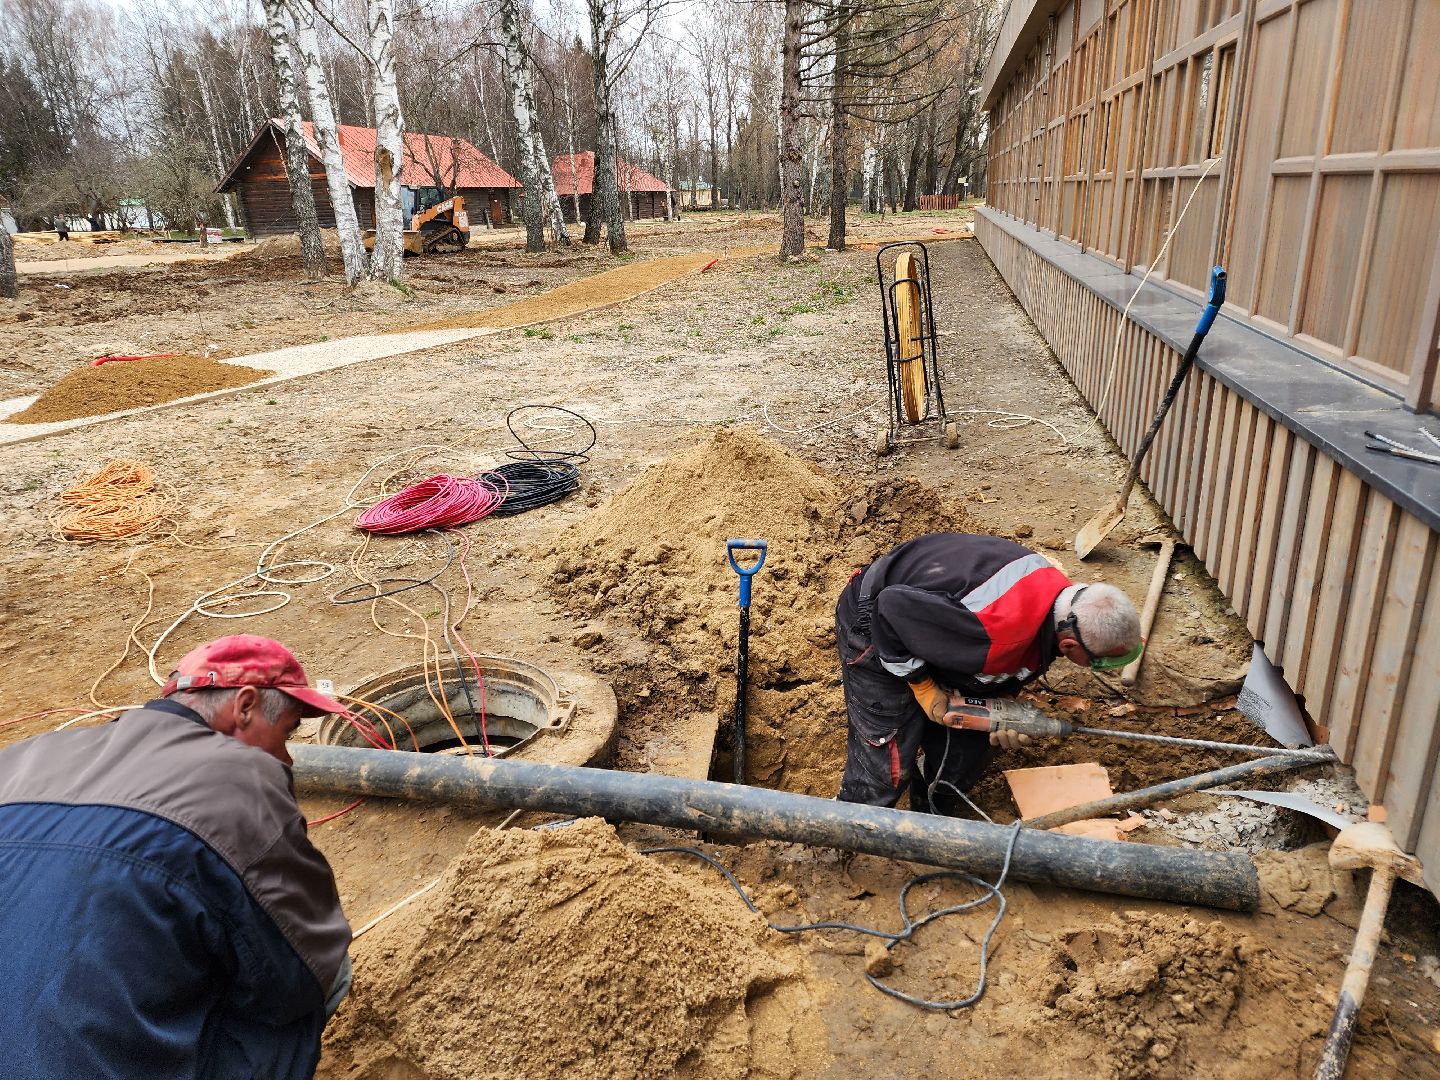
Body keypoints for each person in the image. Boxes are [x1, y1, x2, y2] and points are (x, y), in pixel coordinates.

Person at [0, 635, 353, 1080]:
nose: (286, 757)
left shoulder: (23, 758)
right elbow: (299, 964)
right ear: (243, 706)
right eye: (286, 733)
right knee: (320, 971)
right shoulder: (240, 778)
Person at [834, 532, 1142, 814]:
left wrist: (1005, 704)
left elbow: (1015, 660)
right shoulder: (999, 633)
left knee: (965, 753)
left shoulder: (1063, 602)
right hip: (877, 621)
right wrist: (924, 689)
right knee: (886, 764)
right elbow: (890, 607)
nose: (1097, 668)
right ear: (1071, 644)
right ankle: (843, 828)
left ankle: (929, 810)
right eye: (1097, 662)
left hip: (942, 621)